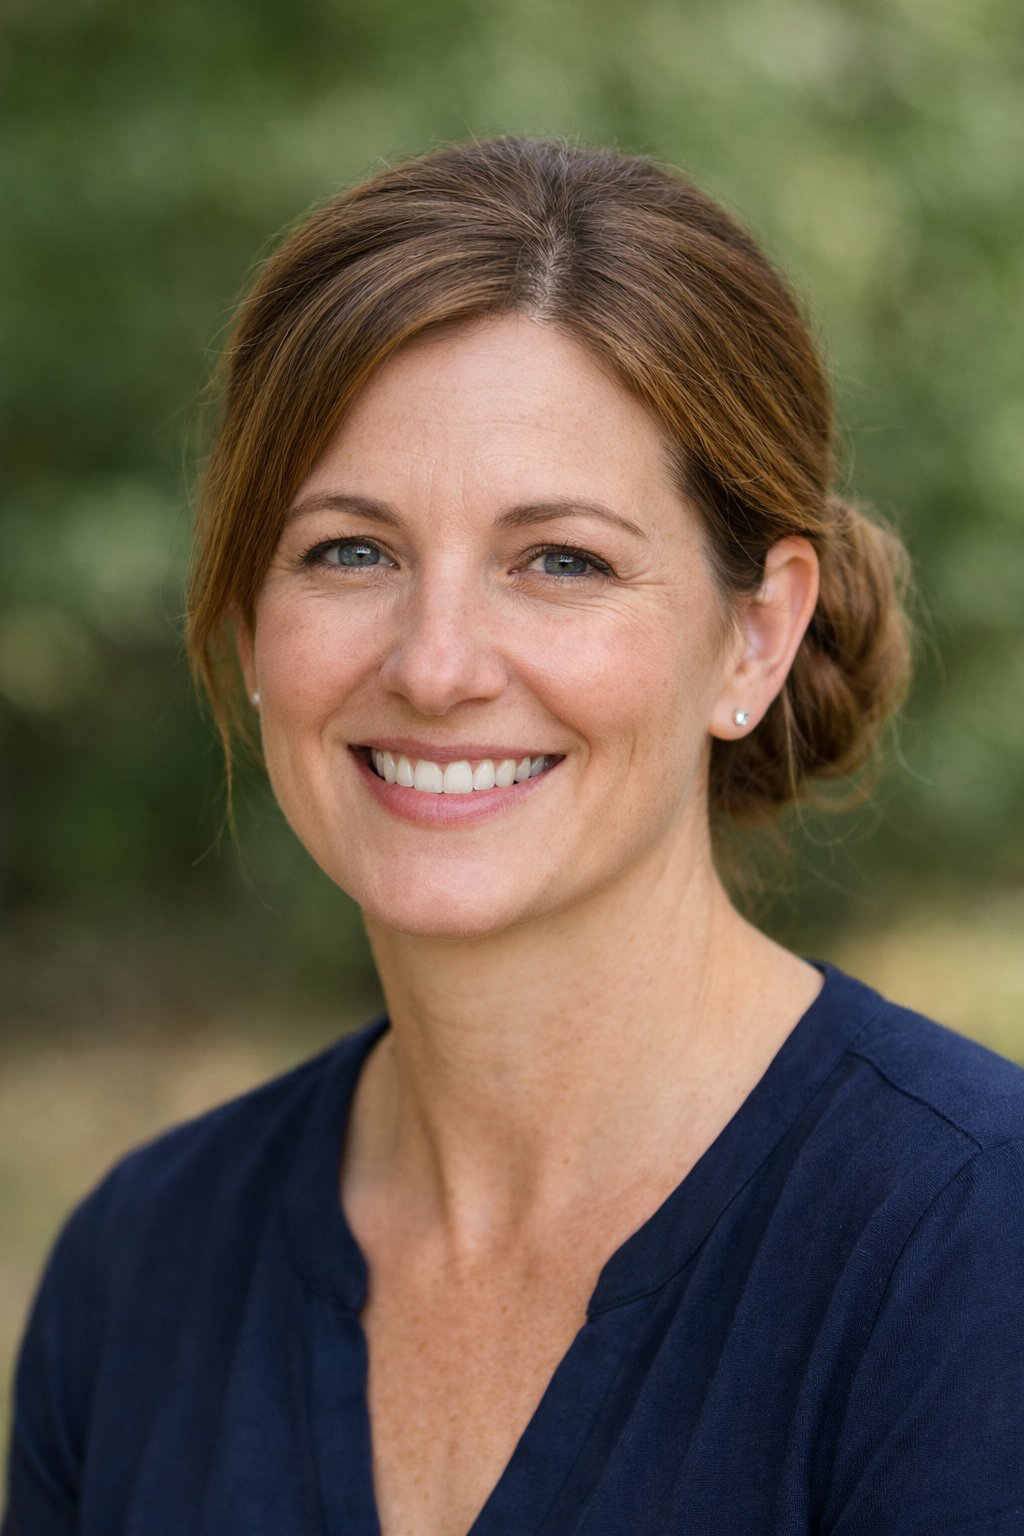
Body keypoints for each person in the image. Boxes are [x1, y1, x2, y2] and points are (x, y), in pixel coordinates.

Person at [4, 136, 1024, 1536]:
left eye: (563, 561)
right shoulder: (138, 1274)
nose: (436, 665)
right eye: (349, 551)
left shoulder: (971, 1250)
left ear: (755, 634)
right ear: (250, 621)